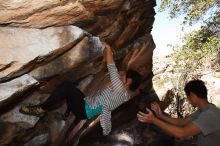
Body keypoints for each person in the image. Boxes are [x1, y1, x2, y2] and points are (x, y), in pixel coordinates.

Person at [20, 42, 142, 136]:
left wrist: (108, 48)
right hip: (87, 107)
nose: (122, 77)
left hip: (82, 110)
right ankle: (68, 112)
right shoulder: (125, 95)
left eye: (125, 78)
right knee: (76, 91)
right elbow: (134, 92)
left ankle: (42, 109)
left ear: (127, 83)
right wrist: (138, 91)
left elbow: (111, 66)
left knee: (67, 85)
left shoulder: (119, 88)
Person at [137, 80, 220, 146]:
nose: (188, 100)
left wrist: (154, 120)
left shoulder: (210, 115)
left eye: (188, 97)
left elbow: (182, 133)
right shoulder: (203, 110)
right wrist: (160, 115)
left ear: (192, 95)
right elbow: (182, 122)